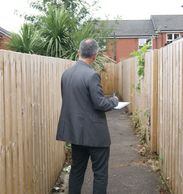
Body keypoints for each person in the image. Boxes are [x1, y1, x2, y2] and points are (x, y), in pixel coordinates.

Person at [56, 39, 119, 194]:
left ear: (79, 52)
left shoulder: (66, 74)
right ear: (95, 55)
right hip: (95, 136)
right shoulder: (92, 75)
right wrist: (114, 101)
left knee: (77, 171)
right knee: (100, 174)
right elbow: (100, 104)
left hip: (76, 134)